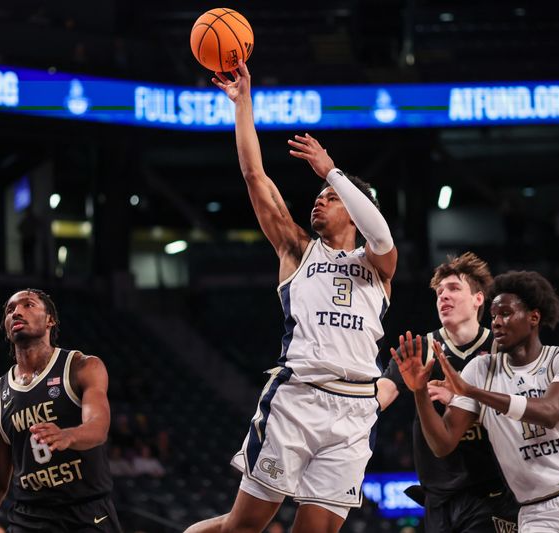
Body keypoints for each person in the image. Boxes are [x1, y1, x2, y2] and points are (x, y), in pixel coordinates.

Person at [185, 60, 397, 533]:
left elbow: (381, 235)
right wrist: (243, 106)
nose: (319, 199)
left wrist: (332, 170)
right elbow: (254, 176)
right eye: (319, 194)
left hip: (355, 410)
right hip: (297, 398)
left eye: (331, 196)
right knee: (244, 526)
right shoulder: (297, 248)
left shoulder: (378, 264)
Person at [393, 271, 559, 532]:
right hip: (536, 512)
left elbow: (550, 411)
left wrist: (471, 392)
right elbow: (443, 443)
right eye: (493, 317)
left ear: (534, 317)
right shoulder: (479, 370)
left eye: (506, 314)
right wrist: (420, 392)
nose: (497, 323)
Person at [0, 289, 121, 532]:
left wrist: (69, 435)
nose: (17, 312)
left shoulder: (81, 366)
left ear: (50, 320)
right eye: (10, 310)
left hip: (88, 514)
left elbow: (98, 427)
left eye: (28, 305)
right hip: (29, 519)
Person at [377, 253, 518, 532]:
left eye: (454, 288)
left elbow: (521, 413)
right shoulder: (419, 349)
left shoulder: (503, 351)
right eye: (439, 292)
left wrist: (460, 399)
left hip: (493, 493)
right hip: (439, 497)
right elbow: (381, 394)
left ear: (479, 299)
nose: (444, 296)